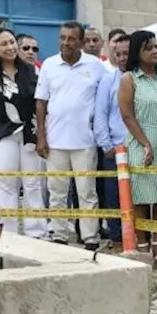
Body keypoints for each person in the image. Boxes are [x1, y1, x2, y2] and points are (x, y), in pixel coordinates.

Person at [36, 21, 107, 246]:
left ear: (81, 42)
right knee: (56, 191)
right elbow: (41, 103)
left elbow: (105, 99)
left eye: (71, 39)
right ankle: (58, 233)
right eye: (62, 38)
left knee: (87, 192)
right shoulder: (49, 65)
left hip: (85, 141)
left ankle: (90, 236)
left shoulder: (96, 66)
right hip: (55, 141)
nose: (65, 43)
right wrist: (41, 136)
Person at [119, 30, 157, 266]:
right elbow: (127, 115)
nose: (155, 51)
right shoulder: (130, 79)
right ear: (137, 52)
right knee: (142, 195)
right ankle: (142, 242)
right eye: (149, 48)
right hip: (140, 139)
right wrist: (145, 143)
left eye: (156, 47)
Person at [0, 27, 44, 238]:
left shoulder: (32, 72)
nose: (10, 47)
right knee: (7, 183)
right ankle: (9, 232)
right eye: (4, 44)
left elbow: (40, 102)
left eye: (12, 42)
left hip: (29, 134)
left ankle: (37, 232)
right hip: (2, 135)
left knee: (32, 183)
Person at [94, 32, 132, 245]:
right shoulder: (108, 81)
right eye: (118, 54)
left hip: (139, 148)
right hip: (115, 148)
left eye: (126, 53)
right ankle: (118, 239)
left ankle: (140, 237)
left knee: (140, 197)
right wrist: (106, 145)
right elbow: (101, 114)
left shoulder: (144, 79)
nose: (122, 57)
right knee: (113, 197)